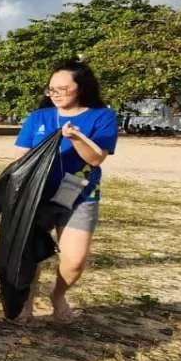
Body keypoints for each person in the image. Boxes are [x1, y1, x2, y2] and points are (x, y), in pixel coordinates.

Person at [12, 58, 118, 324]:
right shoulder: (39, 117)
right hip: (37, 196)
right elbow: (21, 158)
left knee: (75, 260)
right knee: (31, 253)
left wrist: (76, 138)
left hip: (79, 194)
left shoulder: (101, 117)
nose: (56, 94)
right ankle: (26, 300)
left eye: (63, 88)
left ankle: (58, 294)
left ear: (81, 88)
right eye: (51, 89)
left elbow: (96, 159)